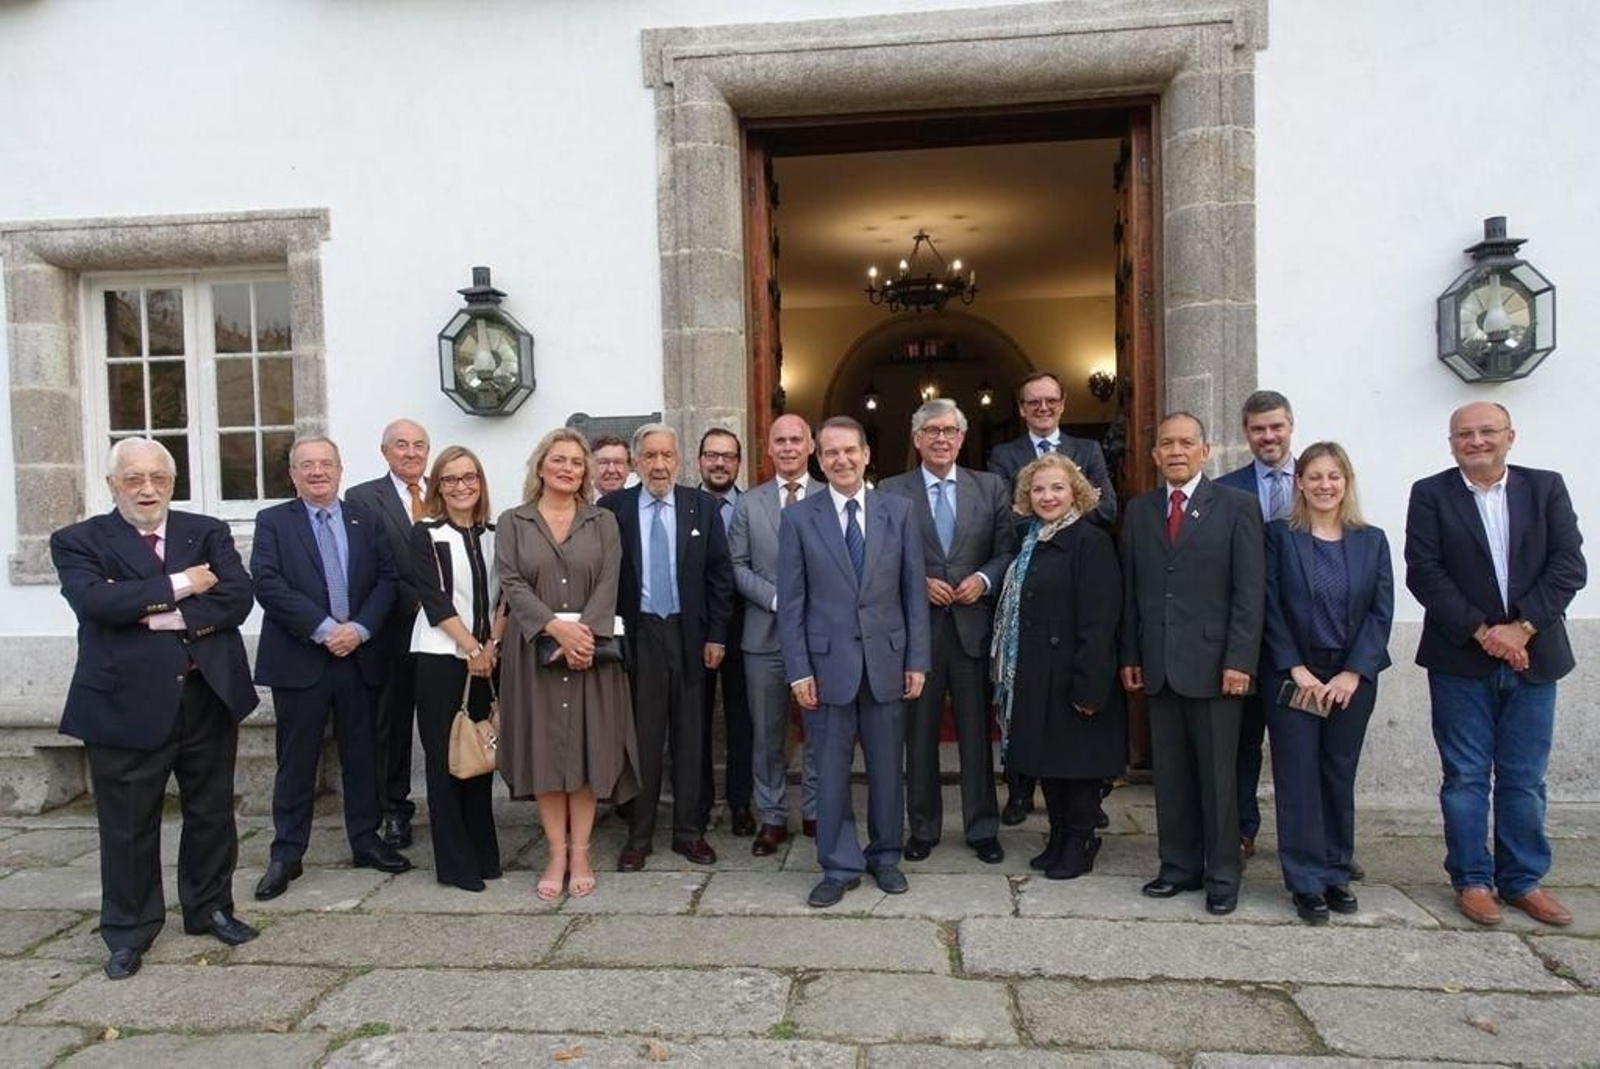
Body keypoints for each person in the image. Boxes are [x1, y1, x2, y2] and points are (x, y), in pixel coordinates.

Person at [50, 438, 260, 980]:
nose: (148, 490)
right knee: (126, 825)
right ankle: (128, 932)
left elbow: (236, 598)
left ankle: (210, 908)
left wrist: (150, 609)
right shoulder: (78, 540)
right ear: (113, 485)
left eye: (158, 479)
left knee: (211, 814)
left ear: (172, 482)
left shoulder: (206, 532)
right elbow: (97, 602)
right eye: (134, 479)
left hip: (205, 696)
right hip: (123, 705)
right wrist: (183, 584)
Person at [1405, 402, 1586, 927]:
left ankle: (1523, 879)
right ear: (1451, 442)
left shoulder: (1545, 488)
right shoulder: (1431, 494)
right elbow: (1426, 573)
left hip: (1536, 655)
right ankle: (1472, 879)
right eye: (1465, 433)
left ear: (1510, 436)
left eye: (1487, 432)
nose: (1476, 441)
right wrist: (1485, 632)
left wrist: (1522, 627)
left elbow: (1569, 565)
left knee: (1524, 778)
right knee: (1464, 776)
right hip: (1461, 658)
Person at [251, 436, 413, 901]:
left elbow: (387, 578)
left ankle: (366, 840)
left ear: (340, 470)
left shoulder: (366, 519)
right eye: (307, 465)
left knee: (363, 756)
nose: (317, 472)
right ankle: (287, 853)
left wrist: (360, 628)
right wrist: (324, 628)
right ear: (293, 474)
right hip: (302, 657)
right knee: (296, 760)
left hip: (360, 655)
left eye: (326, 464)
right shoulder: (273, 522)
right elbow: (267, 583)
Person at [779, 416, 930, 908]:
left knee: (889, 768)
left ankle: (885, 856)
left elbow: (913, 592)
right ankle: (839, 864)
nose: (840, 460)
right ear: (817, 460)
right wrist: (799, 668)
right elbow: (793, 599)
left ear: (867, 454)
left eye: (849, 451)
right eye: (830, 453)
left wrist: (918, 660)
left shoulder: (899, 512)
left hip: (887, 662)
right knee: (829, 769)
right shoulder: (800, 518)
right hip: (826, 668)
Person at [1120, 412, 1263, 916]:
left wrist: (1240, 659)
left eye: (1186, 443)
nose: (1176, 451)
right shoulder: (1139, 512)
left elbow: (1250, 592)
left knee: (1219, 779)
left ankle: (1223, 874)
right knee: (1173, 776)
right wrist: (1131, 654)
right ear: (1155, 455)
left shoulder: (1237, 507)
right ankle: (1177, 867)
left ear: (1206, 450)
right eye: (1166, 444)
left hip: (1217, 668)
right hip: (1159, 665)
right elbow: (1132, 591)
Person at [498, 429, 641, 899]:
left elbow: (609, 579)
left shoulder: (602, 521)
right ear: (540, 466)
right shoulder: (513, 521)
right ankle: (554, 852)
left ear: (585, 473)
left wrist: (583, 636)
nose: (567, 468)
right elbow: (512, 582)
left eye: (576, 463)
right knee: (545, 753)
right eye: (558, 460)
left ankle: (580, 850)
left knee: (584, 751)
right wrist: (553, 629)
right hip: (534, 652)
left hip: (590, 654)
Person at [1262, 442, 1393, 924]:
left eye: (1333, 476)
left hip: (1350, 678)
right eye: (1314, 476)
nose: (1324, 485)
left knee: (1338, 774)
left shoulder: (1371, 540)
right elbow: (1269, 605)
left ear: (1346, 481)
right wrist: (1296, 668)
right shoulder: (1280, 536)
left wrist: (1353, 672)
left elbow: (1381, 613)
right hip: (1294, 674)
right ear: (1299, 482)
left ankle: (1337, 870)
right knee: (1297, 778)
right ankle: (1305, 881)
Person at [880, 399, 1014, 864]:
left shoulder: (991, 487)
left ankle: (981, 828)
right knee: (918, 736)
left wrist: (984, 580)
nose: (941, 438)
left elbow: (1006, 550)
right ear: (916, 439)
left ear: (961, 438)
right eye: (931, 430)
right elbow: (882, 558)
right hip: (917, 633)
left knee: (977, 734)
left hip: (972, 628)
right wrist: (916, 583)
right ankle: (923, 828)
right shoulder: (890, 491)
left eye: (949, 431)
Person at [599, 423, 734, 871]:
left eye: (667, 456)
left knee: (692, 737)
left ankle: (688, 833)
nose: (659, 465)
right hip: (638, 637)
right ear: (637, 462)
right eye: (650, 456)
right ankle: (639, 836)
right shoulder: (613, 508)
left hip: (689, 636)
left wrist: (717, 635)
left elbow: (720, 577)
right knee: (643, 739)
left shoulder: (701, 507)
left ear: (680, 460)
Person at [986, 370, 1117, 825]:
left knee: (1071, 718)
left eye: (1050, 401)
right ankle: (1021, 791)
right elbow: (1004, 517)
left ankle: (1081, 814)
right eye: (1032, 402)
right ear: (1021, 408)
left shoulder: (1088, 450)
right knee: (1027, 704)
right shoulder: (1003, 454)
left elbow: (1108, 509)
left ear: (1063, 403)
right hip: (1029, 590)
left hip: (1070, 582)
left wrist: (1065, 520)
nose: (1042, 408)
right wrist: (1047, 516)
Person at [991, 453, 1122, 880]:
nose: (1047, 496)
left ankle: (1081, 840)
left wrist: (1090, 687)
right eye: (1039, 489)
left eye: (1057, 488)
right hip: (1037, 674)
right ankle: (1059, 836)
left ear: (1075, 493)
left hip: (1075, 677)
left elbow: (1099, 620)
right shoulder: (1032, 540)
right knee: (1051, 764)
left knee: (1078, 767)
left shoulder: (1090, 540)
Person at [409, 445, 505, 892]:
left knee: (479, 752)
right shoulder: (426, 533)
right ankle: (454, 863)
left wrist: (492, 644)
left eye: (469, 477)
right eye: (450, 479)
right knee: (446, 758)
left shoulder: (493, 533)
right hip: (440, 658)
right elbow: (434, 599)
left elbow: (505, 596)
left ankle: (484, 854)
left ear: (480, 482)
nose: (461, 486)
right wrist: (472, 648)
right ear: (437, 487)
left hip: (487, 658)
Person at [730, 414, 823, 855]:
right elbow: (736, 565)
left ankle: (816, 810)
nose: (787, 447)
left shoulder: (831, 496)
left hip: (820, 637)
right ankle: (771, 816)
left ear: (810, 446)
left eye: (795, 440)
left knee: (820, 728)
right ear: (768, 449)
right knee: (767, 732)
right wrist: (776, 599)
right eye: (779, 441)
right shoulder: (749, 504)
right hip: (763, 635)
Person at [1216, 391, 1294, 863]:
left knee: (1300, 749)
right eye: (1258, 429)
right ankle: (1243, 829)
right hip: (1245, 639)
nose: (1268, 436)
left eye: (1276, 427)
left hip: (1304, 645)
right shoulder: (1226, 489)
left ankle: (1311, 839)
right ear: (1245, 432)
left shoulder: (1318, 478)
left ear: (1290, 425)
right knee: (1242, 744)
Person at [345, 418, 431, 850]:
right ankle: (394, 811)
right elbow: (371, 565)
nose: (411, 453)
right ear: (385, 452)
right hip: (392, 632)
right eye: (402, 445)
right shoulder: (362, 498)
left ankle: (452, 806)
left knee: (443, 725)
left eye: (419, 445)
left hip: (444, 634)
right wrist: (418, 601)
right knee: (392, 728)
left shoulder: (449, 488)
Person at [696, 427, 755, 836]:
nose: (720, 463)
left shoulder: (752, 507)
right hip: (695, 629)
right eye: (712, 455)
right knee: (694, 720)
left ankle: (740, 804)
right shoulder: (686, 506)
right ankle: (698, 804)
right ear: (699, 460)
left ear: (739, 462)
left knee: (743, 720)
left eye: (728, 456)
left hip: (746, 626)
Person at [591, 435, 633, 499]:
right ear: (590, 467)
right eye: (603, 463)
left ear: (629, 468)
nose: (611, 470)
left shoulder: (638, 504)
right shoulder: (575, 504)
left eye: (618, 463)